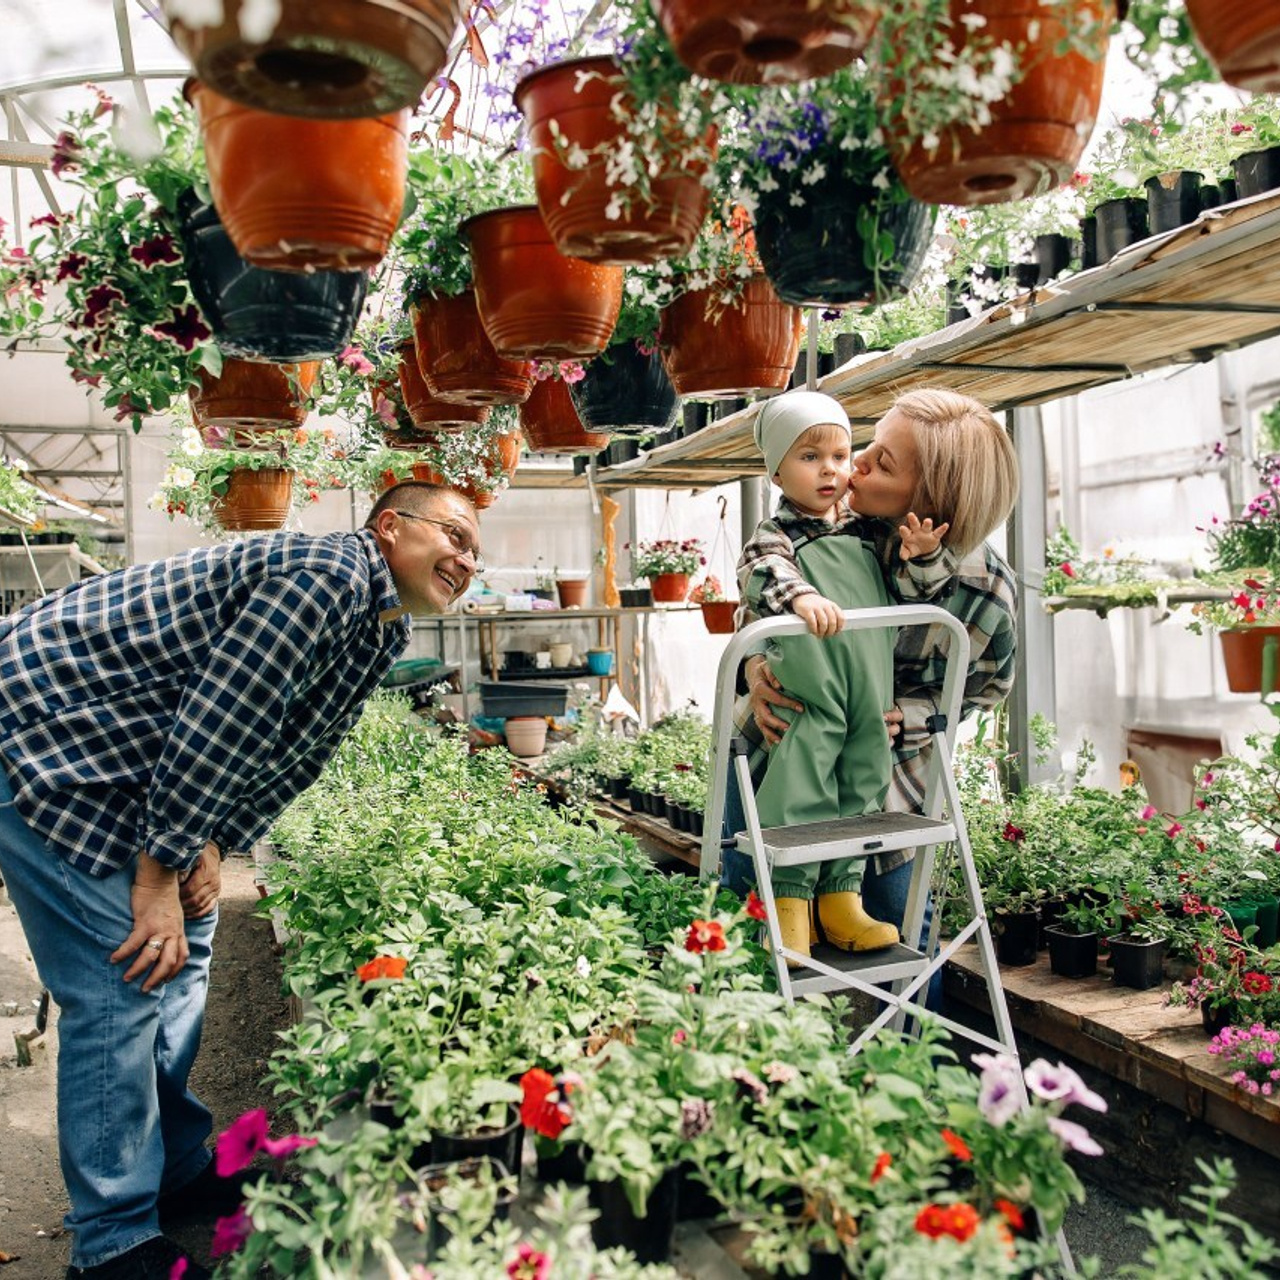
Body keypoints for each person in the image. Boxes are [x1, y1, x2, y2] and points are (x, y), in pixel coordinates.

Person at [0, 481, 481, 1280]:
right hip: (44, 731)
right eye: (455, 537)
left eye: (475, 552)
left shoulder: (376, 626)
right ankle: (112, 1238)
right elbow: (223, 715)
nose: (466, 560)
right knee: (121, 978)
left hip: (122, 760)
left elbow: (292, 749)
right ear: (390, 527)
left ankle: (176, 1166)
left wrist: (215, 842)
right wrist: (157, 872)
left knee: (185, 950)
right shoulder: (326, 575)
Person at [728, 388, 1020, 971]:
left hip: (887, 785)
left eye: (879, 463)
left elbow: (984, 687)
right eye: (867, 446)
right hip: (777, 757)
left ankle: (905, 1054)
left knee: (894, 963)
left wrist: (908, 716)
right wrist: (755, 667)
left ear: (930, 498)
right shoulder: (828, 521)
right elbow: (759, 594)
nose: (849, 466)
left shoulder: (981, 587)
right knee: (758, 957)